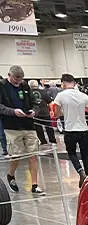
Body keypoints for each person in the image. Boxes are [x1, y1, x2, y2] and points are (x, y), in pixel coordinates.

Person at [0, 66, 44, 195]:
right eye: (15, 79)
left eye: (20, 80)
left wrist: (34, 112)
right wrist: (13, 112)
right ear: (9, 75)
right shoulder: (2, 86)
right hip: (11, 126)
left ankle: (35, 185)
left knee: (33, 155)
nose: (17, 82)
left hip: (28, 125)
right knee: (16, 155)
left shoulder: (25, 86)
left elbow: (36, 103)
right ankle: (11, 175)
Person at [52, 73, 88, 187]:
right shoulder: (83, 95)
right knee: (85, 154)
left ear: (63, 83)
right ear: (74, 83)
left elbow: (56, 113)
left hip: (70, 130)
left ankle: (80, 172)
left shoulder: (60, 96)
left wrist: (65, 113)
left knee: (71, 153)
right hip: (83, 130)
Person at [29, 79, 55, 145]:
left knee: (38, 129)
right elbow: (49, 102)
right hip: (45, 112)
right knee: (49, 127)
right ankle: (52, 140)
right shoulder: (43, 92)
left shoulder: (29, 92)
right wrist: (51, 110)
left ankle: (43, 141)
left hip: (35, 113)